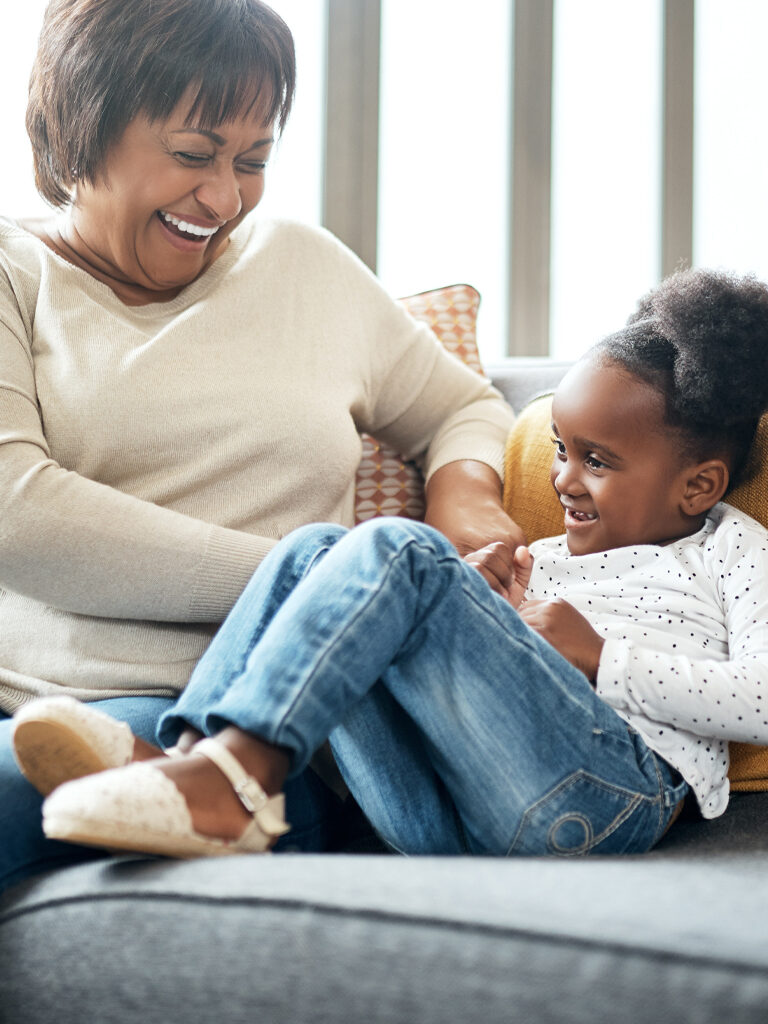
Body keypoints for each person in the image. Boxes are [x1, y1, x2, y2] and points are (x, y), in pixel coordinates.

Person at [0, 0, 520, 892]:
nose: (225, 197)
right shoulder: (16, 275)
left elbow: (462, 406)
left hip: (242, 721)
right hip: (33, 698)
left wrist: (463, 493)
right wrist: (331, 583)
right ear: (81, 127)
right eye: (195, 154)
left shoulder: (303, 267)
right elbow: (18, 511)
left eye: (254, 161)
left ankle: (194, 792)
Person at [18, 267, 768, 859]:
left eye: (598, 462)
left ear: (697, 484)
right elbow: (476, 697)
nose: (563, 479)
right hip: (443, 811)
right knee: (316, 550)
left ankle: (228, 783)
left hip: (605, 798)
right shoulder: (534, 562)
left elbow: (762, 702)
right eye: (562, 451)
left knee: (399, 545)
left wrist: (602, 657)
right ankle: (193, 764)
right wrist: (463, 617)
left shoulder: (728, 547)